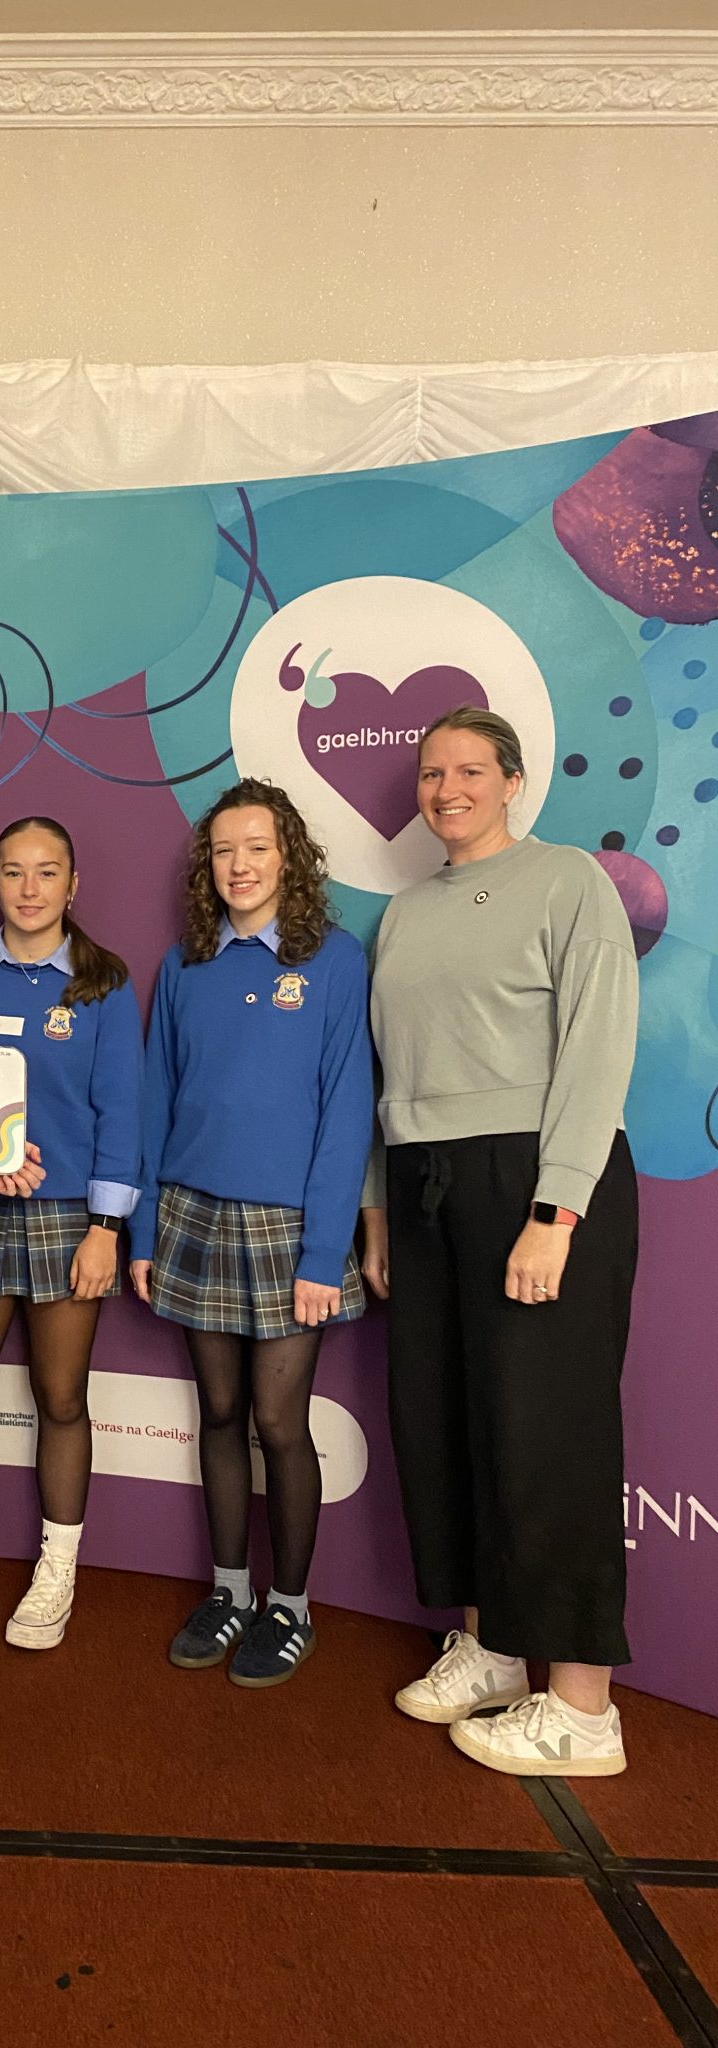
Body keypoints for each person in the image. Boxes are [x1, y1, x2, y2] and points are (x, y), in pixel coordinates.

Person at [360, 706, 639, 1777]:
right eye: (432, 772)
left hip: (536, 1179)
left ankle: (582, 1708)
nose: (448, 788)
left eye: (471, 769)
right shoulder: (404, 913)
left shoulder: (568, 881)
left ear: (513, 781)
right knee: (448, 1422)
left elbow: (599, 1047)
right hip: (425, 1186)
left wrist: (556, 1211)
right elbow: (393, 1077)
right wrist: (382, 1210)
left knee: (547, 1432)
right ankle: (489, 1647)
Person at [131, 778, 370, 1688]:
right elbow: (155, 1101)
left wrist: (324, 1253)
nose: (240, 866)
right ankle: (229, 1591)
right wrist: (144, 1233)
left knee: (279, 1422)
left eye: (257, 848)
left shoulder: (334, 960)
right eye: (224, 851)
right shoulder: (184, 965)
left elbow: (347, 1111)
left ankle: (290, 1606)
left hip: (291, 1227)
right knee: (221, 1414)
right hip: (192, 1214)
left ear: (289, 858)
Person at [0, 817, 142, 1651]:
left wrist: (106, 1228)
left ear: (72, 885)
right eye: (13, 871)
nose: (30, 888)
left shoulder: (103, 984)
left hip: (68, 1219)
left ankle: (57, 1572)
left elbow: (122, 1112)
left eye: (48, 872)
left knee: (62, 1399)